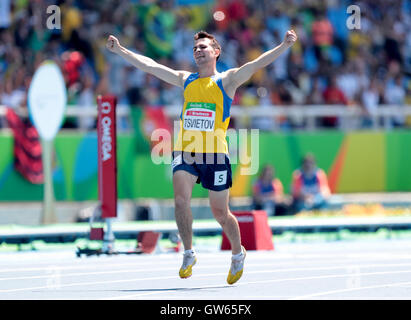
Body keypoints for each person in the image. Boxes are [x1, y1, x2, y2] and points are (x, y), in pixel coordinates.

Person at [106, 29, 297, 284]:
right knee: (180, 201)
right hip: (186, 151)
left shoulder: (227, 81)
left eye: (204, 47)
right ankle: (188, 252)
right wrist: (121, 50)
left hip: (215, 155)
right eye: (195, 49)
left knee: (220, 212)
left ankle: (238, 254)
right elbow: (151, 66)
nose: (198, 51)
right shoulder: (186, 79)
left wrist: (284, 45)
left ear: (216, 52)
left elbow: (256, 64)